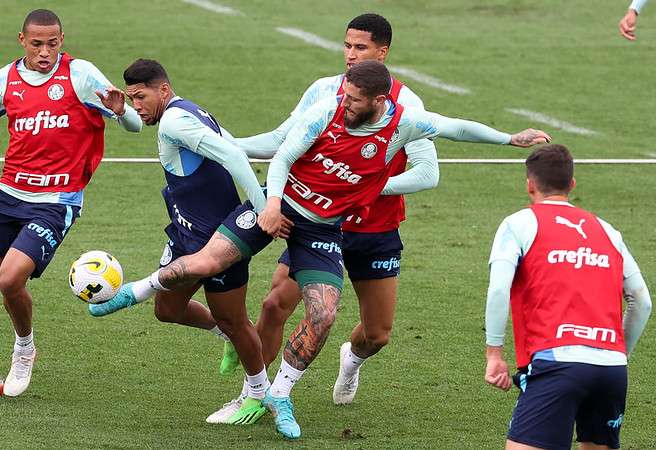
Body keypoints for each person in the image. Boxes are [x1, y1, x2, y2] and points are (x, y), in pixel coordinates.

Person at [92, 60, 550, 439]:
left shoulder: (402, 125)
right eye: (344, 94)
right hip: (280, 206)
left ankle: (280, 394)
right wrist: (269, 208)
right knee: (209, 262)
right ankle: (136, 290)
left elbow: (456, 128)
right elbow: (284, 157)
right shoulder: (324, 114)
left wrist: (509, 138)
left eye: (352, 99)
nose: (343, 102)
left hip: (323, 231)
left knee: (324, 314)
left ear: (379, 101)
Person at [208, 14, 442, 423]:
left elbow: (427, 173)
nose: (350, 56)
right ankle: (254, 396)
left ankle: (351, 360)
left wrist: (358, 189)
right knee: (275, 304)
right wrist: (227, 144)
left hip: (373, 228)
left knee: (378, 334)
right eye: (347, 46)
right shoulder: (323, 91)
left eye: (361, 48)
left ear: (382, 52)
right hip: (316, 223)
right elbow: (284, 142)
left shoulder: (408, 106)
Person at [0, 9, 142, 400]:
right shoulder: (7, 78)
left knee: (10, 279)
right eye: (36, 44)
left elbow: (134, 123)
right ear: (22, 41)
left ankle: (24, 349)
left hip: (56, 200)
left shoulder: (81, 75)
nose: (44, 52)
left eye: (52, 43)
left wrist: (122, 112)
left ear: (62, 40)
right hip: (8, 194)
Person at [109, 58, 272, 424]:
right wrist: (122, 113)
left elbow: (232, 155)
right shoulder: (189, 111)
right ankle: (225, 336)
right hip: (185, 236)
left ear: (163, 90)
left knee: (236, 321)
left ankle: (258, 395)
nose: (137, 105)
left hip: (219, 241)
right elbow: (235, 145)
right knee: (167, 310)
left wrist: (265, 211)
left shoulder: (175, 120)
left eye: (140, 97)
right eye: (132, 98)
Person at [483, 144, 651, 449]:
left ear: (529, 184)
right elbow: (642, 301)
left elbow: (498, 288)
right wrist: (616, 354)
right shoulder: (607, 230)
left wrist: (494, 353)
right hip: (611, 370)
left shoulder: (519, 223)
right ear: (572, 185)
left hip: (556, 363)